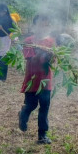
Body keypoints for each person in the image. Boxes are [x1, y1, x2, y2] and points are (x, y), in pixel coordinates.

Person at [18, 15, 55, 144]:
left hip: (45, 78)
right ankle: (23, 114)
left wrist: (51, 55)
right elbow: (30, 58)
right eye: (41, 24)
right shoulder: (29, 41)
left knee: (45, 106)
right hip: (32, 78)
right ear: (35, 25)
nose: (43, 27)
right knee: (31, 104)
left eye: (46, 25)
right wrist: (40, 51)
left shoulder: (50, 41)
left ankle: (42, 135)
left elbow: (53, 61)